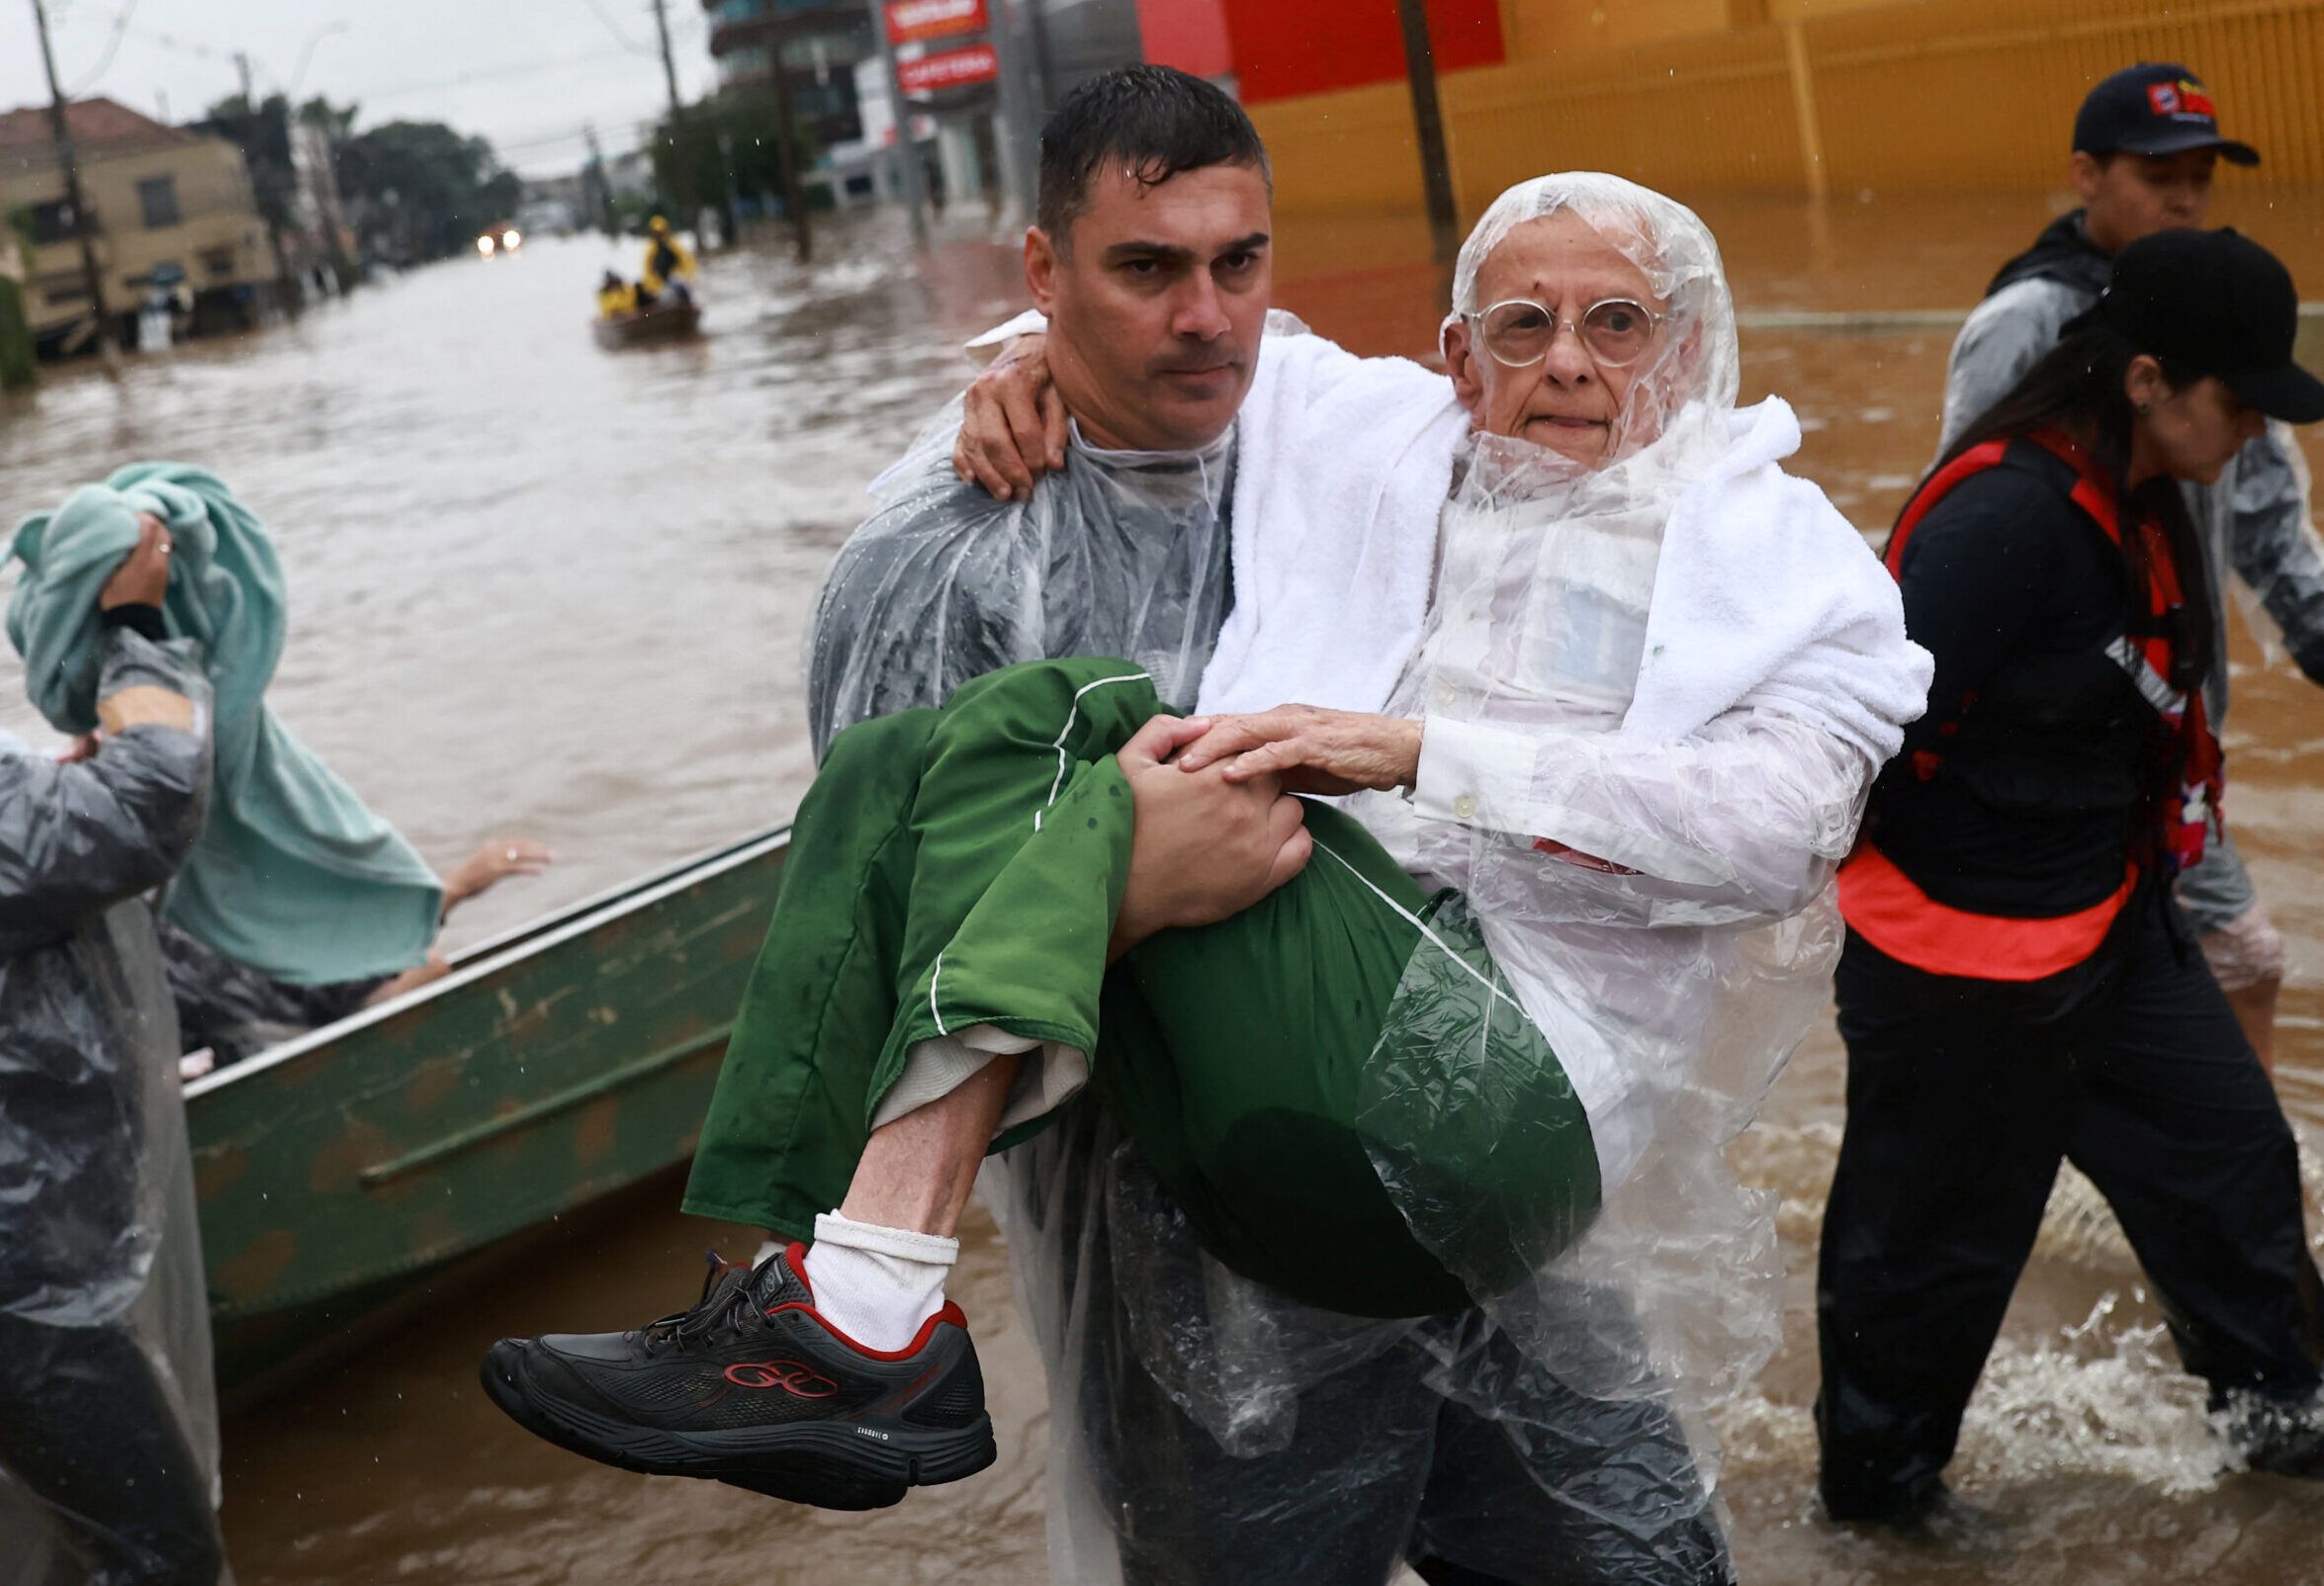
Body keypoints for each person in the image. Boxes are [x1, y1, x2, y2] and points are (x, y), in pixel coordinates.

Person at [489, 70, 1927, 1583]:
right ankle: (848, 1293)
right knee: (1035, 739)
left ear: (1682, 343)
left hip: (1482, 1163)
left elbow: (1787, 816)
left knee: (1632, 1564)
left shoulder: (1721, 535)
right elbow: (890, 912)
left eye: (1238, 265)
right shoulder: (974, 541)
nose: (1206, 318)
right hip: (1207, 1225)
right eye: (1144, 271)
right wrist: (1125, 892)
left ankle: (857, 1302)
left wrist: (1410, 755)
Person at [1817, 227, 2324, 1529]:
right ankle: (1878, 1511)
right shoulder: (2002, 518)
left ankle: (2283, 1428)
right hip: (1962, 965)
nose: (2259, 433)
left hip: (2106, 923)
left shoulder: (2149, 492)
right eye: (2243, 403)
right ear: (2147, 377)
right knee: (1930, 1258)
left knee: (2230, 1162)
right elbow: (1855, 738)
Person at [1938, 61, 2324, 1072]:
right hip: (2068, 744)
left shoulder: (2218, 313)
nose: (2186, 198)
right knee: (2236, 954)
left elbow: (2272, 516)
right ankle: (2258, 1182)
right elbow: (1964, 524)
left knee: (2153, 969)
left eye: (2200, 175)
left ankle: (2192, 1165)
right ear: (2085, 176)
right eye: (2160, 176)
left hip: (2170, 734)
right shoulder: (2026, 321)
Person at [8, 464, 553, 1069]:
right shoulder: (88, 843)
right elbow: (154, 798)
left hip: (156, 1065)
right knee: (423, 980)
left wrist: (445, 896)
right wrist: (135, 625)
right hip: (102, 1121)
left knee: (418, 976)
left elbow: (288, 949)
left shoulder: (65, 816)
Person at [0, 514, 228, 1584]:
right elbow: (154, 796)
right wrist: (132, 620)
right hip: (29, 1287)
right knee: (153, 1553)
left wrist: (54, 782)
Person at [640, 215, 697, 308]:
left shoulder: (674, 245)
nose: (659, 235)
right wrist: (653, 287)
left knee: (677, 287)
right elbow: (647, 272)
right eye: (656, 233)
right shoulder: (650, 250)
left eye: (660, 232)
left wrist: (688, 278)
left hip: (677, 281)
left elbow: (688, 263)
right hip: (659, 285)